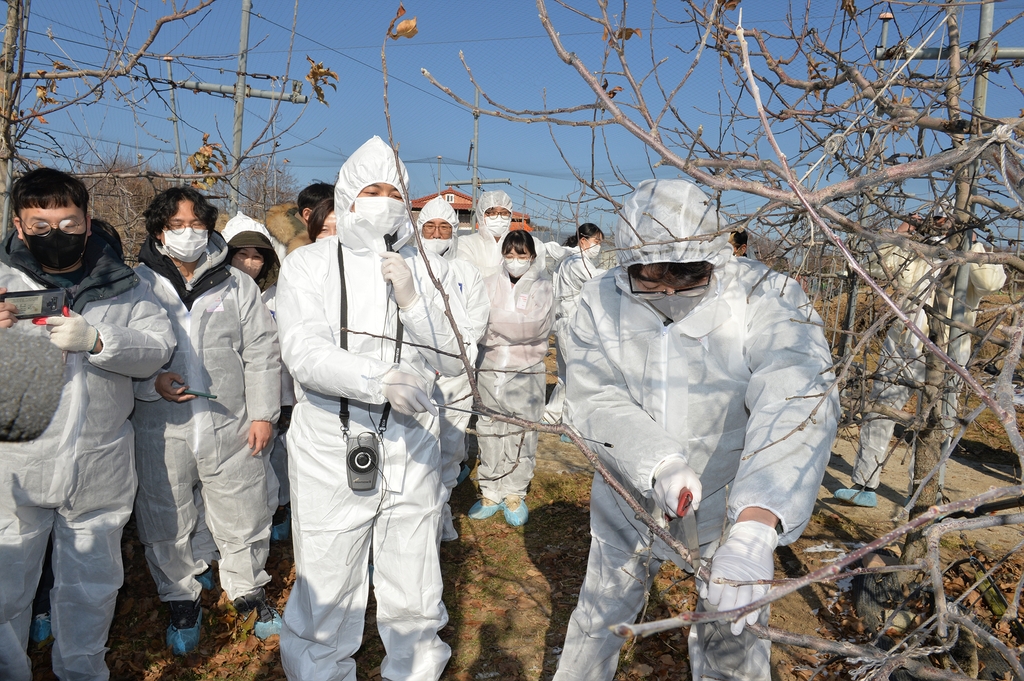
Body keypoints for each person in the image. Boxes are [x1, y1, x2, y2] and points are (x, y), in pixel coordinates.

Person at [553, 179, 839, 681]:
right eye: (651, 272)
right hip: (628, 492)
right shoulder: (599, 301)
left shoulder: (764, 296)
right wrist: (658, 461)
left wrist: (754, 527)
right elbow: (593, 395)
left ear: (712, 257)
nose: (666, 288)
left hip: (731, 500)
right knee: (599, 620)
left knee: (733, 634)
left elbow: (798, 392)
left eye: (684, 273)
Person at [276, 136, 466, 680]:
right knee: (329, 582)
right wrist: (379, 379)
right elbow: (304, 352)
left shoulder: (421, 268)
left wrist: (413, 301)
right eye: (371, 190)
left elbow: (453, 361)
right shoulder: (308, 265)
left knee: (415, 582)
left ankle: (415, 670)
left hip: (411, 444)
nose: (384, 202)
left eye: (394, 191)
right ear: (347, 197)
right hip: (331, 445)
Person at [0, 168, 174, 681]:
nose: (56, 233)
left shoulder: (128, 283)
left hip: (100, 463)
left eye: (68, 221)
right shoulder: (2, 281)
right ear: (18, 223)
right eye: (40, 223)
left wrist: (99, 341)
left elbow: (157, 350)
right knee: (6, 587)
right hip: (16, 464)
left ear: (87, 220)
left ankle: (82, 672)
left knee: (91, 589)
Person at [132, 188, 283, 655]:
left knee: (244, 508)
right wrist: (150, 382)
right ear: (159, 231)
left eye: (197, 224)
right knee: (166, 513)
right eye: (176, 226)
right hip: (160, 426)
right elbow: (123, 353)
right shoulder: (135, 283)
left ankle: (248, 590)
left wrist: (263, 414)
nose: (188, 234)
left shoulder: (235, 284)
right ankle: (181, 597)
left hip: (230, 422)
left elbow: (261, 351)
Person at [834, 213, 1006, 507]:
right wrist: (903, 231)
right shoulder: (915, 250)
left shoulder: (972, 256)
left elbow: (992, 282)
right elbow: (877, 264)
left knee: (941, 421)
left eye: (948, 219)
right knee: (881, 410)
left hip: (951, 350)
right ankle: (865, 483)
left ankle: (926, 493)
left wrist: (971, 243)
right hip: (904, 344)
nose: (940, 223)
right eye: (936, 217)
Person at [415, 196, 491, 541]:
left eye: (444, 227)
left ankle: (440, 513)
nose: (436, 234)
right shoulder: (410, 267)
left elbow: (477, 319)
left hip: (457, 376)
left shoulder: (466, 271)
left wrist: (460, 356)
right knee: (416, 447)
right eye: (429, 227)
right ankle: (417, 515)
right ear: (419, 229)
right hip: (417, 375)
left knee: (451, 446)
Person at [469, 230, 555, 527]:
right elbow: (477, 322)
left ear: (531, 255)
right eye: (509, 254)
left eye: (521, 254)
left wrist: (496, 324)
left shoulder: (543, 286)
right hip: (490, 366)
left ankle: (514, 491)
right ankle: (490, 489)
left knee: (523, 430)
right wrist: (505, 326)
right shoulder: (488, 283)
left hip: (526, 369)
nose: (515, 260)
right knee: (490, 426)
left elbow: (532, 328)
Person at [222, 212, 294, 542]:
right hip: (230, 399)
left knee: (276, 457)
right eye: (242, 255)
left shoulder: (280, 296)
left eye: (257, 257)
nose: (250, 264)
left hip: (278, 394)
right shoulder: (215, 297)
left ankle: (279, 510)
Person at [544, 223, 606, 424]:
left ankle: (553, 414)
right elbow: (599, 282)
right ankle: (572, 420)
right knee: (577, 373)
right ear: (583, 241)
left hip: (565, 322)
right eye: (596, 242)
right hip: (572, 324)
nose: (598, 247)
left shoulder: (568, 260)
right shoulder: (578, 262)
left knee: (566, 373)